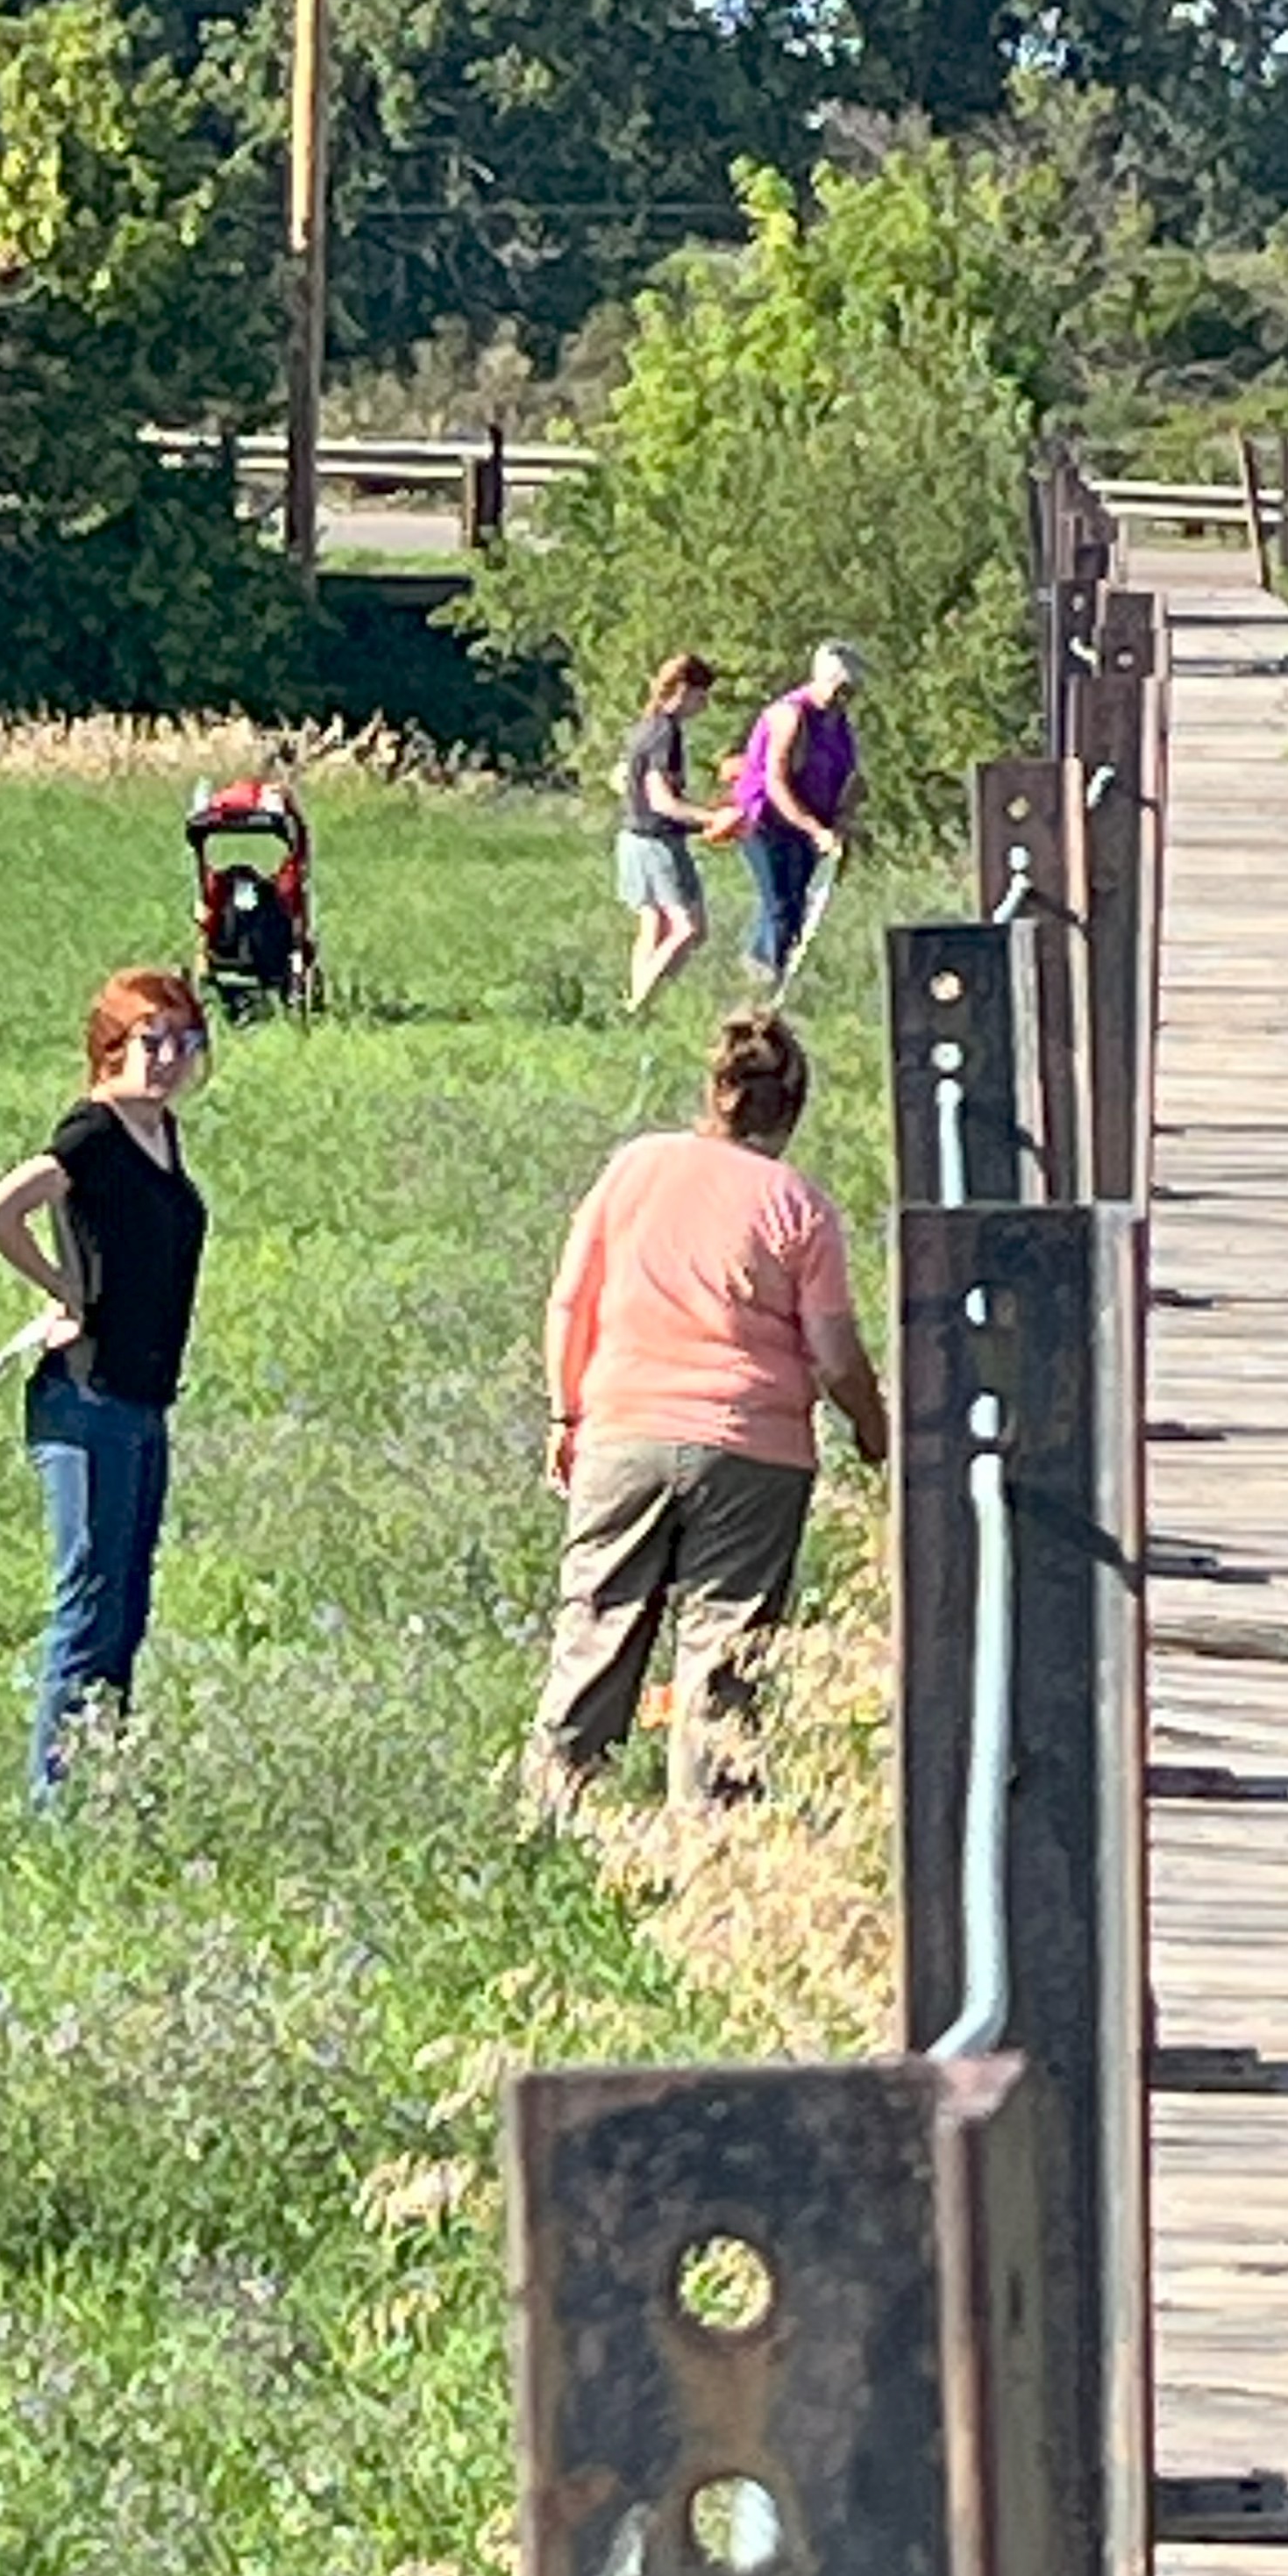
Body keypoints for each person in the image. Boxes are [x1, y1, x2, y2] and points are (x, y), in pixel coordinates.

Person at [528, 1008, 888, 1816]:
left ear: (713, 1090)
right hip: (753, 1451)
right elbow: (834, 1357)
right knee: (724, 1655)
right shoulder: (802, 1207)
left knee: (597, 1630)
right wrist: (877, 1431)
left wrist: (566, 1416)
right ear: (792, 1108)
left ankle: (556, 1817)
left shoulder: (636, 1168)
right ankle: (714, 1855)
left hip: (623, 1428)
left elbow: (570, 1302)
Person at [0, 968, 210, 1802]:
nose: (170, 1059)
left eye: (186, 1042)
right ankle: (53, 1800)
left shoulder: (164, 1133)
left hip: (144, 1400)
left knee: (129, 1604)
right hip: (86, 1398)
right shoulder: (93, 1132)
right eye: (153, 1041)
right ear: (111, 1047)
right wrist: (57, 1288)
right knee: (89, 1602)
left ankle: (103, 1773)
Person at [724, 640, 867, 990]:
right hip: (765, 820)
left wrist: (841, 820)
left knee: (798, 905)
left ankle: (769, 976)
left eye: (851, 690)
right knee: (780, 904)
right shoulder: (790, 715)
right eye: (841, 688)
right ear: (823, 680)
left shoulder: (840, 724)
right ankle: (764, 981)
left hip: (810, 824)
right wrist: (814, 828)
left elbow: (849, 778)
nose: (845, 696)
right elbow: (776, 781)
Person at [616, 651, 716, 1014]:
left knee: (653, 924)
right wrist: (709, 819)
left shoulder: (645, 726)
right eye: (702, 697)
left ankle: (635, 1001)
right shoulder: (665, 733)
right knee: (689, 928)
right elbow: (661, 800)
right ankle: (641, 1005)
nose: (703, 706)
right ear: (685, 691)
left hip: (632, 837)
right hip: (657, 841)